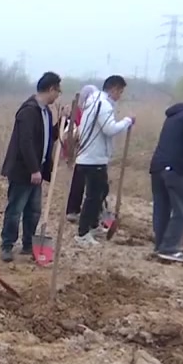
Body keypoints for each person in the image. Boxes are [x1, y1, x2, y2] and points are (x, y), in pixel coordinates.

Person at [0, 71, 64, 263]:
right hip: (22, 171)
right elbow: (25, 143)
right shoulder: (28, 111)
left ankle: (29, 244)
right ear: (51, 89)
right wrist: (34, 169)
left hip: (37, 170)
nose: (57, 96)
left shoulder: (45, 112)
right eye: (57, 91)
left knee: (33, 210)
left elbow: (48, 137)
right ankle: (7, 245)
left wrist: (62, 120)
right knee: (15, 209)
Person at [73, 75, 133, 247]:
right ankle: (82, 233)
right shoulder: (103, 104)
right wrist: (127, 122)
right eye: (120, 91)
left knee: (101, 192)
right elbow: (109, 129)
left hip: (92, 157)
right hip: (93, 158)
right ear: (113, 88)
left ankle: (93, 225)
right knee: (93, 197)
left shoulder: (94, 102)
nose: (120, 95)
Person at [148, 93, 183, 262]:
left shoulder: (173, 116)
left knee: (161, 208)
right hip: (176, 169)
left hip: (157, 167)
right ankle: (170, 248)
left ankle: (161, 246)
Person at [65, 84, 99, 222]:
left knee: (92, 184)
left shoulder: (92, 111)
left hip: (88, 150)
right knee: (78, 182)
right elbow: (69, 133)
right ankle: (73, 210)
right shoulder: (76, 111)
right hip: (80, 150)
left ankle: (94, 211)